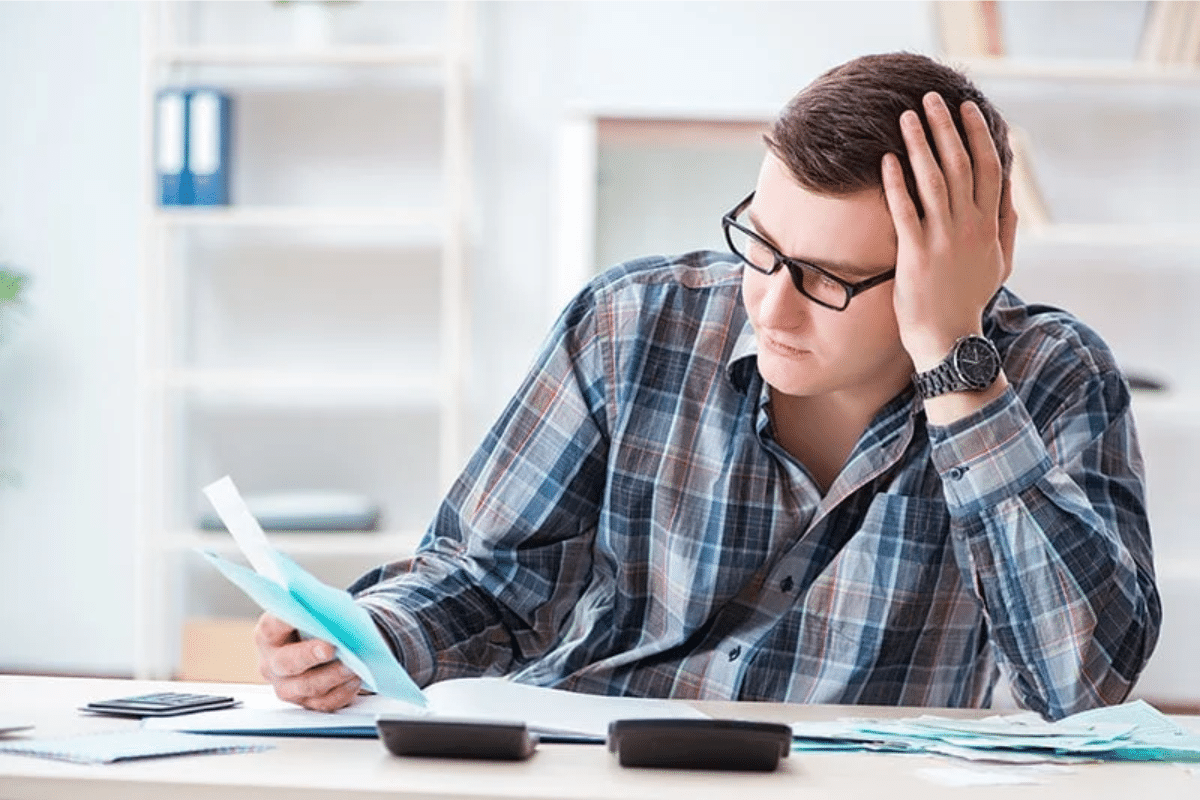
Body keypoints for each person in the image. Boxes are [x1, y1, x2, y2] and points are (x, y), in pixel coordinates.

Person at [256, 52, 1160, 721]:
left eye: (826, 278)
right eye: (760, 245)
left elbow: (1084, 685)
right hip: (589, 770)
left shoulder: (1049, 378)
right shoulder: (630, 322)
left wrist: (954, 354)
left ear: (960, 270)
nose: (770, 304)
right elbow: (491, 583)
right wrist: (367, 636)